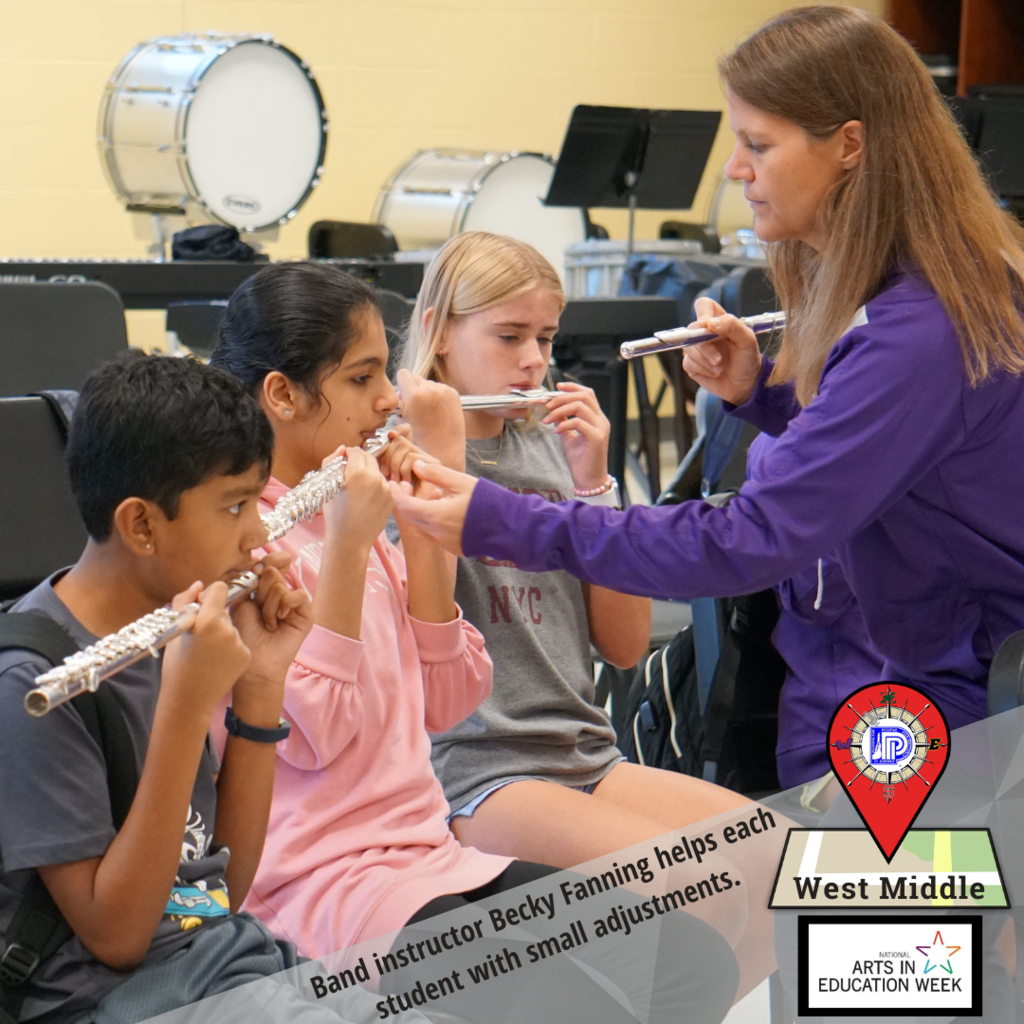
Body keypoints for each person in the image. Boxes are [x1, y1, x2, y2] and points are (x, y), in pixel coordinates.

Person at [392, 5, 1024, 748]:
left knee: (816, 864)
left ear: (850, 144)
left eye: (759, 143)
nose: (735, 170)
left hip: (963, 712)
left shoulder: (922, 330)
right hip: (929, 682)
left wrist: (495, 516)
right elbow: (903, 456)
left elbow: (746, 540)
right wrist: (767, 395)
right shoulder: (929, 299)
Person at [209, 263, 747, 1022]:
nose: (388, 399)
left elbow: (448, 699)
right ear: (283, 395)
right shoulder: (243, 545)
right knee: (583, 1002)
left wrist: (429, 521)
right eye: (363, 378)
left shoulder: (351, 506)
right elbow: (311, 734)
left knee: (690, 962)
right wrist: (352, 549)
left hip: (428, 858)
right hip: (328, 888)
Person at [0, 353, 382, 1024]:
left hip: (208, 960)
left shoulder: (172, 621)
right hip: (109, 1000)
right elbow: (117, 939)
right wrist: (184, 708)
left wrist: (259, 690)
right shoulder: (31, 683)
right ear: (141, 525)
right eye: (235, 506)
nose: (258, 535)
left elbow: (216, 894)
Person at [401, 231, 753, 870]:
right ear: (439, 331)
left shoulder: (553, 446)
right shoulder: (399, 458)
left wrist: (595, 487)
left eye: (546, 338)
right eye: (509, 336)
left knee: (781, 861)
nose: (534, 360)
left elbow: (623, 646)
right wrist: (434, 452)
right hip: (473, 774)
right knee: (697, 878)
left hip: (587, 752)